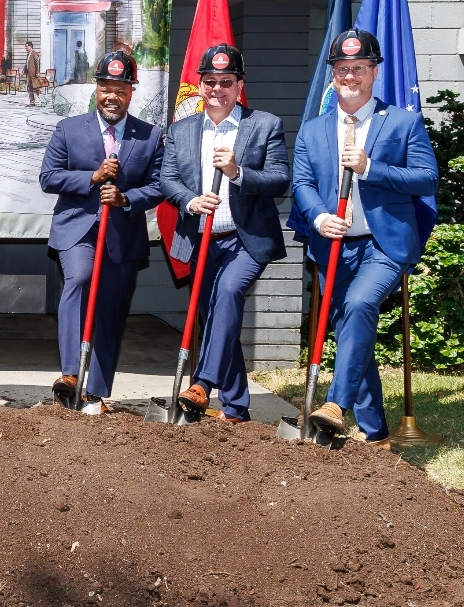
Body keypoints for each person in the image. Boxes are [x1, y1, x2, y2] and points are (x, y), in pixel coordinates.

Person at [294, 29, 439, 444]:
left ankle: (336, 402)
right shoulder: (312, 130)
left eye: (358, 68)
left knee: (359, 304)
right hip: (334, 245)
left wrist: (370, 167)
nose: (350, 76)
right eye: (342, 69)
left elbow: (427, 179)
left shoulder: (403, 122)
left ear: (374, 72)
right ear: (333, 75)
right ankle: (375, 432)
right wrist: (320, 218)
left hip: (385, 243)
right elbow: (302, 183)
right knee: (352, 328)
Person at [159, 43, 290, 422]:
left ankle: (202, 383)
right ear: (199, 85)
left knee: (229, 293)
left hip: (244, 238)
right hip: (201, 238)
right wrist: (189, 201)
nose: (217, 88)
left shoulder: (264, 124)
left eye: (226, 82)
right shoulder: (181, 130)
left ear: (239, 85)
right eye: (210, 81)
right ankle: (235, 408)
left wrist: (238, 173)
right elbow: (167, 179)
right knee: (220, 317)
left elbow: (281, 179)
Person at [40, 49, 164, 411]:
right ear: (96, 89)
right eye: (106, 88)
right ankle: (70, 375)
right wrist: (91, 178)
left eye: (121, 89)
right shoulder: (69, 128)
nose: (113, 96)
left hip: (122, 235)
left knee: (110, 309)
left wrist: (126, 198)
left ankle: (95, 392)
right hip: (77, 229)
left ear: (131, 93)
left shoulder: (150, 136)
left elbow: (159, 185)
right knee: (79, 279)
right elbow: (48, 177)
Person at [24, 40, 42, 106]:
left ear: (30, 46)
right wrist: (24, 70)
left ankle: (42, 100)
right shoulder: (28, 54)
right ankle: (32, 102)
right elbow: (26, 64)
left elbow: (37, 64)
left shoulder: (34, 53)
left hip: (34, 74)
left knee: (36, 88)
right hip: (28, 74)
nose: (25, 48)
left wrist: (37, 73)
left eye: (26, 47)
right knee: (29, 87)